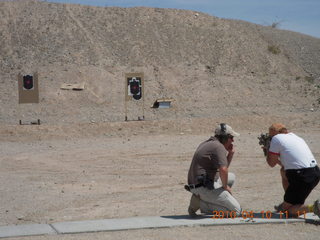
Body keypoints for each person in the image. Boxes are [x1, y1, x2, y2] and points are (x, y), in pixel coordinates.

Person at [264, 123, 320, 218]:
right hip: (314, 172)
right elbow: (287, 164)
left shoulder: (276, 138)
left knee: (287, 211)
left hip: (301, 176)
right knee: (283, 171)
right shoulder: (295, 137)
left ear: (274, 134)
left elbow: (271, 163)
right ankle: (290, 201)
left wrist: (267, 151)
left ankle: (314, 207)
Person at [186, 123, 242, 217]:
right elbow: (223, 170)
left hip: (198, 184)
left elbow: (223, 167)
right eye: (231, 137)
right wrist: (225, 187)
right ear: (224, 138)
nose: (232, 140)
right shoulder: (218, 146)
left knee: (231, 177)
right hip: (203, 186)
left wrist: (230, 154)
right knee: (236, 212)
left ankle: (201, 198)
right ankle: (203, 205)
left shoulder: (208, 143)